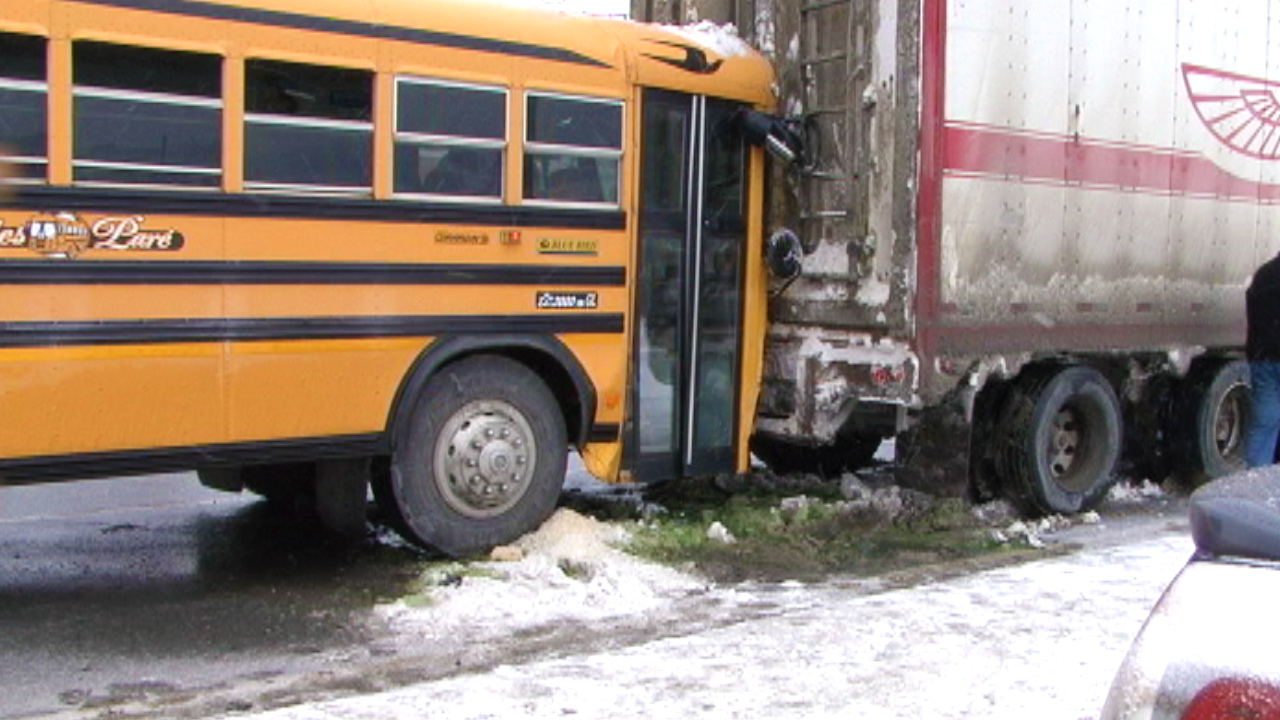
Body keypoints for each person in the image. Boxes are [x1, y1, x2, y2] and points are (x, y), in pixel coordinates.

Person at [1246, 250, 1280, 467]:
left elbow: (1252, 315)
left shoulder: (1264, 274)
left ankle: (1254, 482)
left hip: (1264, 359)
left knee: (1264, 425)